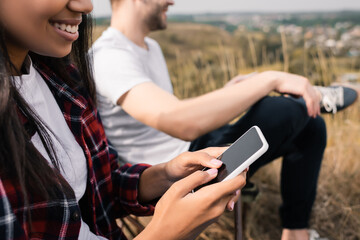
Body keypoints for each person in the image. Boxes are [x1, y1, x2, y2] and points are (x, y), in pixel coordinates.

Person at [91, 1, 357, 239]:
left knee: (312, 125)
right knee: (284, 111)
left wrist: (234, 90)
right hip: (169, 173)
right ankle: (310, 98)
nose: (172, 1)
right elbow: (180, 121)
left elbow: (171, 110)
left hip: (194, 148)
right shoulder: (109, 56)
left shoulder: (150, 48)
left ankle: (296, 233)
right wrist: (270, 78)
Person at [0, 0, 248, 239]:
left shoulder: (63, 80)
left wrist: (165, 175)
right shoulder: (108, 57)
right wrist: (165, 234)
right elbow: (180, 120)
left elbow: (100, 190)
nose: (86, 6)